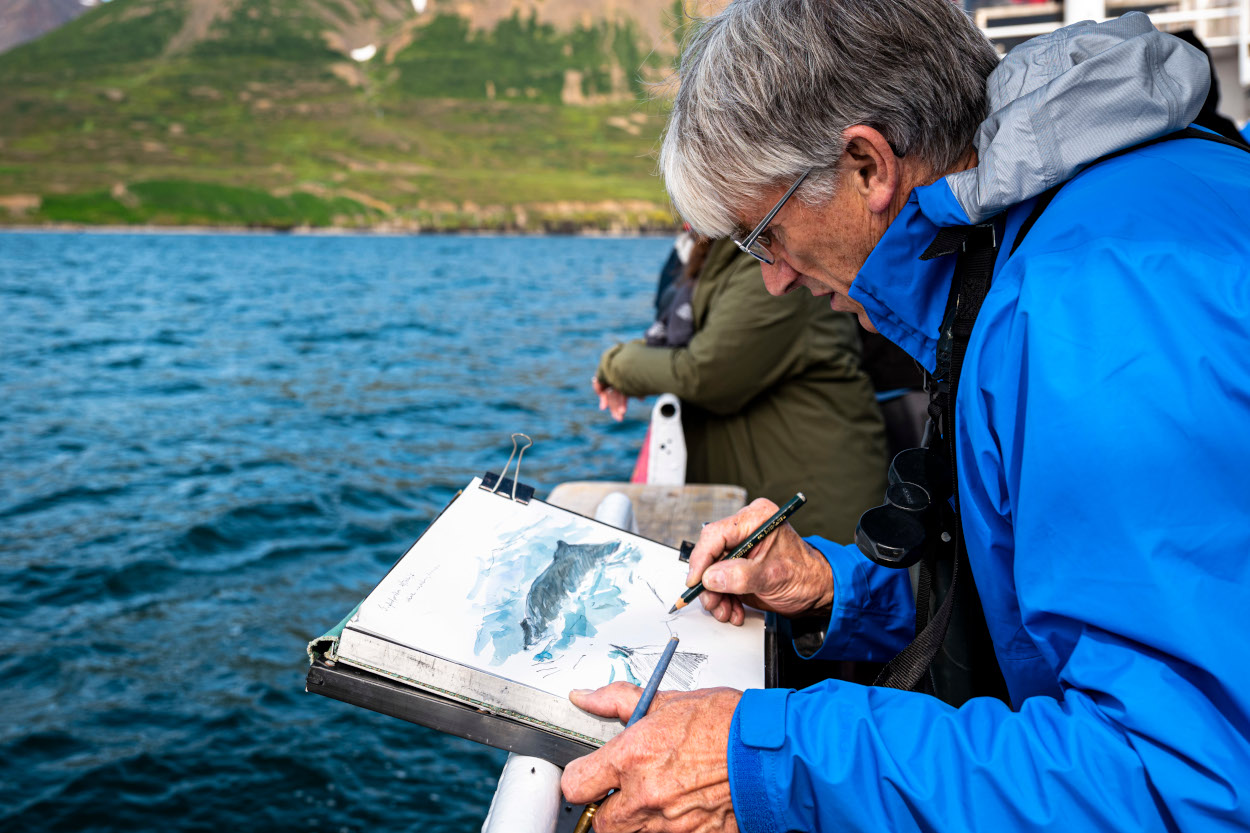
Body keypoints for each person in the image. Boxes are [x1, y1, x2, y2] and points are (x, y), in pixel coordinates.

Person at [560, 2, 1250, 831]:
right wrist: (831, 588)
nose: (775, 279)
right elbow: (1055, 594)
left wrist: (759, 758)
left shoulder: (1098, 311)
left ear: (866, 166)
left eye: (763, 236)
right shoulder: (1079, 228)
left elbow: (1183, 779)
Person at [593, 235, 888, 543]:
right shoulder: (720, 254)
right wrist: (634, 366)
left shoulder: (770, 261)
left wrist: (615, 366)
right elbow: (694, 346)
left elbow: (707, 375)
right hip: (768, 494)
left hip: (820, 509)